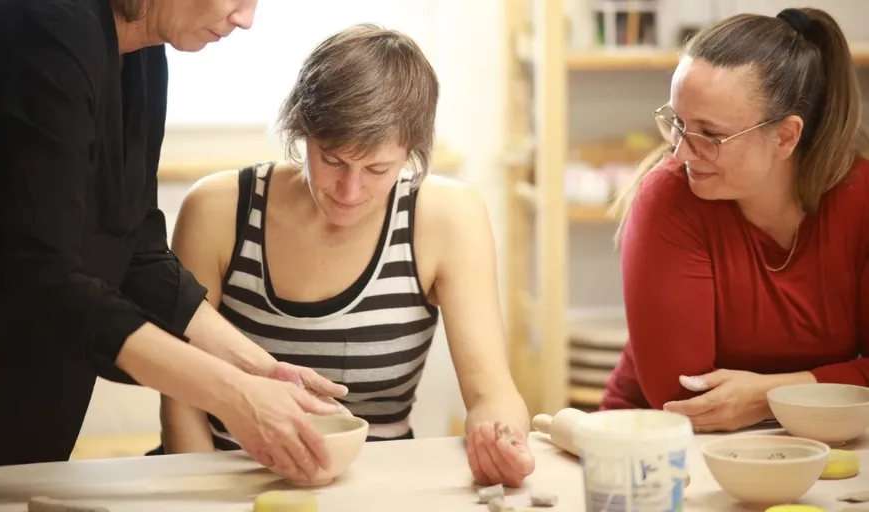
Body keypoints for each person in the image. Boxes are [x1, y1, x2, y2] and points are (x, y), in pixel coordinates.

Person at [0, 0, 352, 481]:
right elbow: (45, 279)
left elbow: (136, 252)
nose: (246, 19)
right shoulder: (47, 29)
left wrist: (261, 370)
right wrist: (232, 395)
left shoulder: (142, 58)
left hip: (15, 425)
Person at [154, 24, 536, 487]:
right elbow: (181, 393)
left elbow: (491, 393)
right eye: (332, 160)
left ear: (410, 153)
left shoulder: (447, 218)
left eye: (377, 169)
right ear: (303, 133)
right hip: (231, 479)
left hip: (376, 485)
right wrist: (201, 493)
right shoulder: (219, 210)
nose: (350, 192)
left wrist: (502, 439)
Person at [600, 7, 869, 432]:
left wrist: (765, 397)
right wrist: (818, 390)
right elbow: (685, 400)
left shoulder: (860, 199)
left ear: (785, 136)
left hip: (814, 443)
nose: (680, 153)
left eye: (710, 134)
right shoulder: (669, 199)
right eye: (677, 123)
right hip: (660, 446)